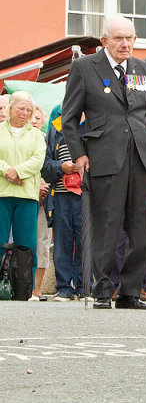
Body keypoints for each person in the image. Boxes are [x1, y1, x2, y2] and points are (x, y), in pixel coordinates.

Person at [61, 15, 146, 310]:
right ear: (104, 41)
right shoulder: (84, 67)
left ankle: (130, 291)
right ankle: (102, 289)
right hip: (104, 158)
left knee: (141, 228)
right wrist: (79, 154)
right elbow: (68, 119)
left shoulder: (142, 68)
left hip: (141, 158)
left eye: (130, 38)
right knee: (106, 226)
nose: (125, 44)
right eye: (118, 38)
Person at [0, 91, 46, 294]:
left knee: (27, 243)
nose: (25, 113)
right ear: (10, 108)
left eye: (29, 110)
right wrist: (7, 171)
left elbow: (38, 160)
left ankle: (24, 288)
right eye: (21, 108)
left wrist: (17, 171)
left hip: (26, 195)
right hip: (2, 193)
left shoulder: (36, 134)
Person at [42, 104, 84, 301]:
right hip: (60, 195)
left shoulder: (94, 125)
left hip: (87, 196)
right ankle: (64, 287)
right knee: (62, 242)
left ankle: (85, 287)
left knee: (87, 241)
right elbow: (45, 166)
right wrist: (62, 167)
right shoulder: (55, 128)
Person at [30, 103, 50, 300]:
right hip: (22, 195)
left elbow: (52, 166)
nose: (34, 121)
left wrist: (45, 185)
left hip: (45, 201)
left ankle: (36, 288)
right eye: (31, 117)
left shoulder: (48, 140)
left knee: (42, 244)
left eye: (38, 118)